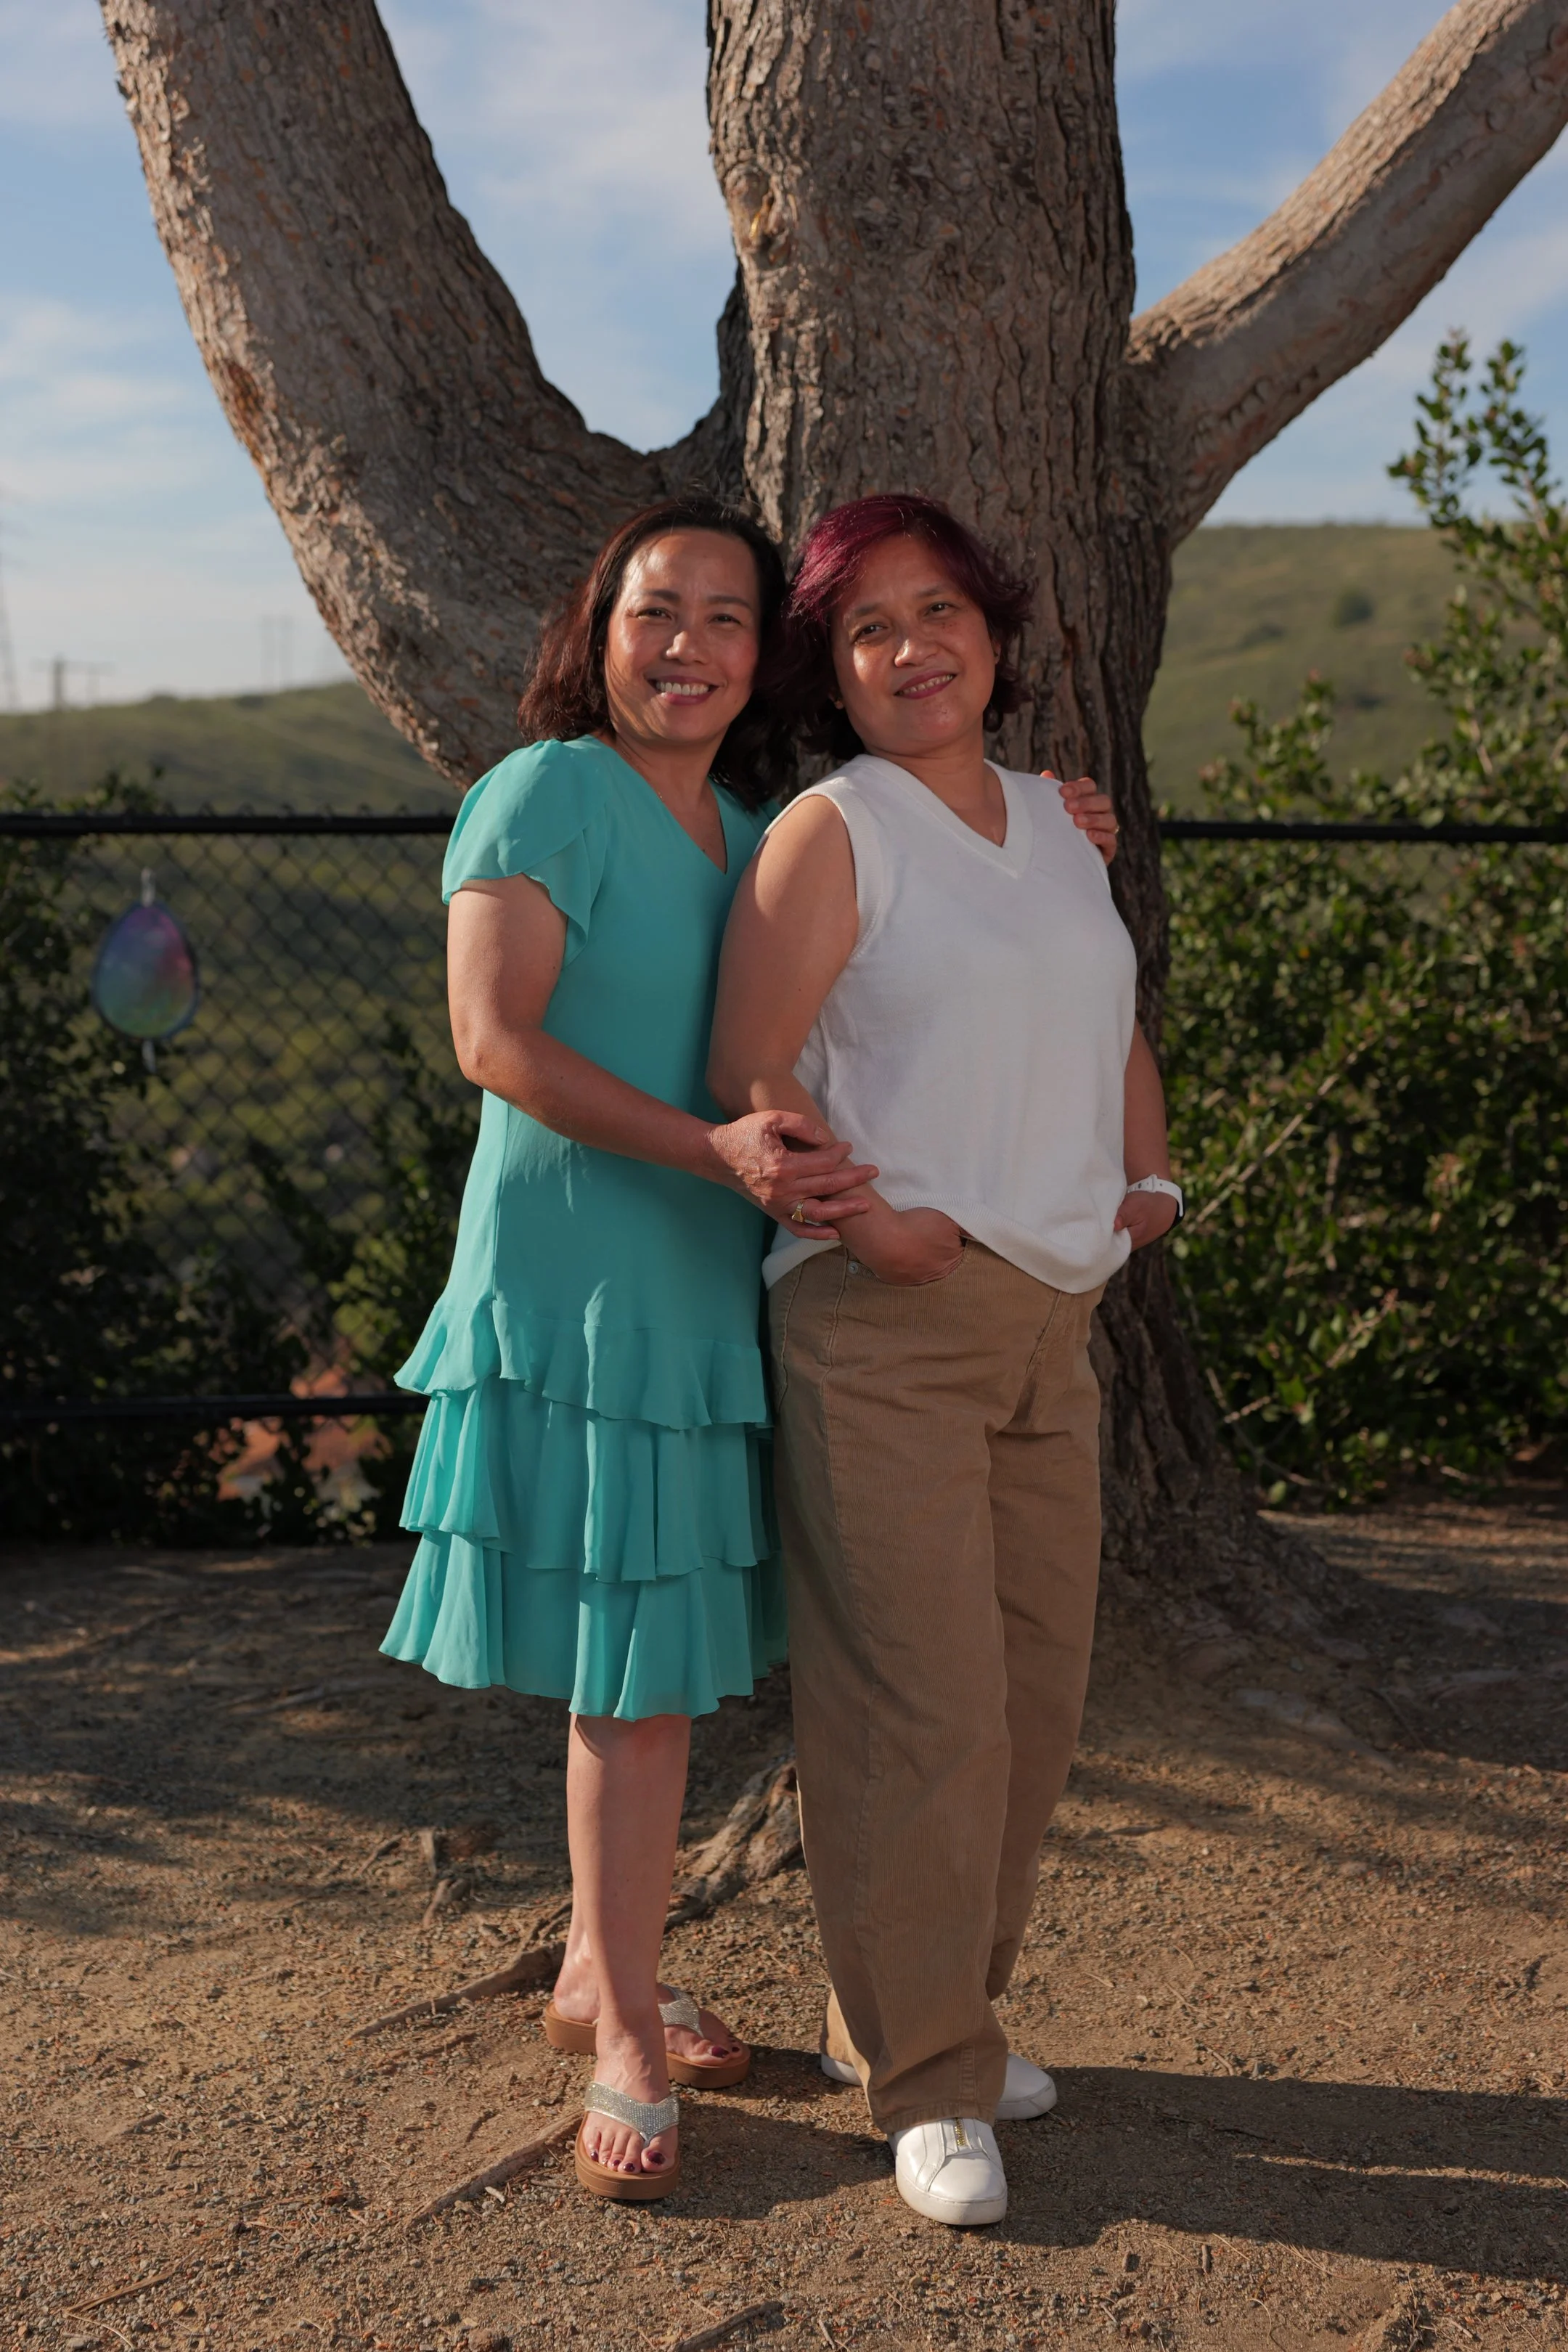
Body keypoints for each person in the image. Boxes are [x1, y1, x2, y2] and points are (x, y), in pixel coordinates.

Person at [380, 494, 881, 2202]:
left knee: (651, 1672)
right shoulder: (541, 793)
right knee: (641, 1685)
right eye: (656, 610)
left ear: (765, 658)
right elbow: (493, 1040)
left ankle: (606, 1965)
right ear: (597, 629)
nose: (688, 646)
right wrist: (717, 1155)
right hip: (583, 1288)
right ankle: (618, 2034)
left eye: (728, 619)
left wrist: (1058, 815)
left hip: (701, 1290)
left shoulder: (752, 831)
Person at [707, 494, 1180, 2229]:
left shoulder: (1063, 826)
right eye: (867, 631)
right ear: (836, 673)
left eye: (939, 614)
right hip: (886, 1321)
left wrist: (1149, 1178)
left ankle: (912, 2017)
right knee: (920, 1706)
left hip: (1056, 1320)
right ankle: (928, 2080)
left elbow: (1106, 1017)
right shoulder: (836, 830)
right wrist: (869, 1219)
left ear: (994, 628)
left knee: (1038, 1695)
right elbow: (750, 1058)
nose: (914, 650)